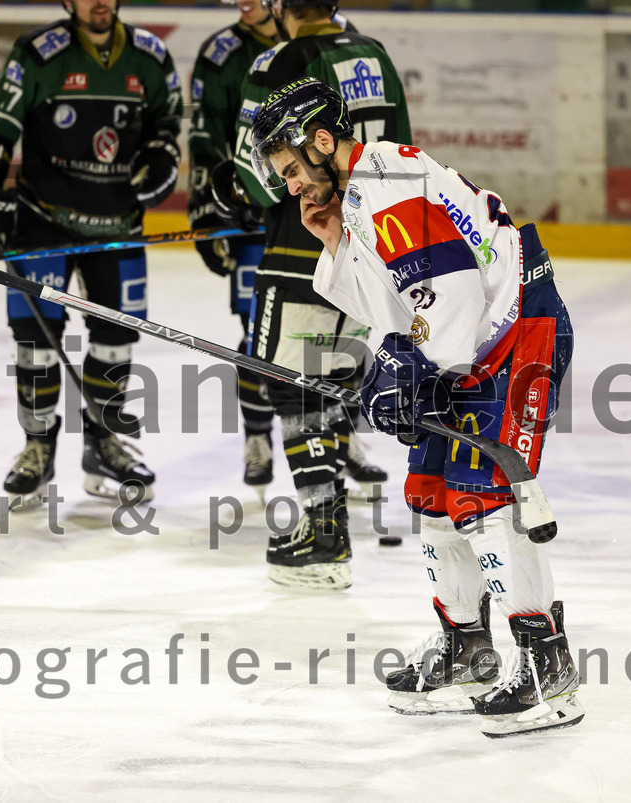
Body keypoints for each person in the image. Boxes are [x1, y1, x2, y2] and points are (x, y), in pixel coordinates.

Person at [250, 77, 583, 737]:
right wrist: (334, 246)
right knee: (432, 490)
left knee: (482, 498)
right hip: (471, 346)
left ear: (322, 140)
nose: (290, 186)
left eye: (292, 169)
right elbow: (392, 307)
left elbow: (451, 298)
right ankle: (467, 646)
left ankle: (547, 663)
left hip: (517, 336)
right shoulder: (360, 195)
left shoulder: (390, 192)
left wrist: (411, 365)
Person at [214, 0, 411, 590]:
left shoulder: (283, 59)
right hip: (370, 242)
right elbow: (396, 147)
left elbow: (262, 174)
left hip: (306, 240)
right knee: (330, 380)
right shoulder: (373, 52)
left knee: (292, 384)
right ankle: (329, 517)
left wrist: (226, 189)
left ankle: (324, 534)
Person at [0, 0, 183, 508]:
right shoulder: (40, 54)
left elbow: (167, 123)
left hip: (119, 224)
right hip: (42, 221)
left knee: (115, 339)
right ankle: (37, 448)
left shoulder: (149, 57)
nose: (99, 2)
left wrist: (162, 155)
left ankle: (103, 442)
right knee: (35, 340)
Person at [187, 1, 279, 499]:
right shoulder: (222, 54)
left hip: (315, 215)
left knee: (332, 332)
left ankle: (342, 437)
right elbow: (206, 138)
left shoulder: (327, 37)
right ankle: (258, 438)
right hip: (251, 218)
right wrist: (207, 209)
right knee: (255, 331)